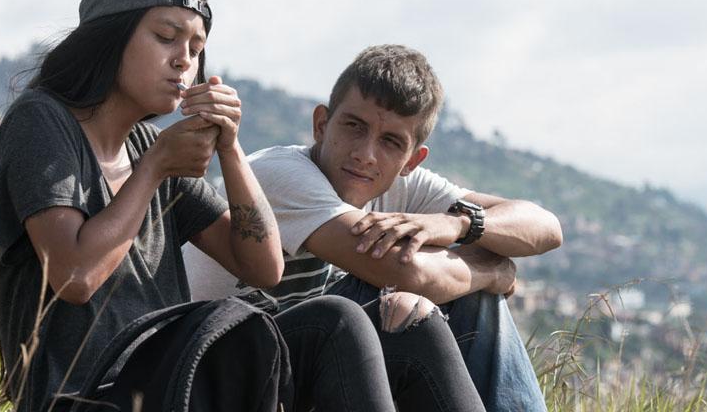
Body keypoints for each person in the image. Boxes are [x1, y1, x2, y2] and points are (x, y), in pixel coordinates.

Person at [0, 0, 481, 412]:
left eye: (196, 48)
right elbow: (75, 277)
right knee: (338, 320)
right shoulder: (42, 121)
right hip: (91, 397)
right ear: (110, 37)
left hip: (177, 379)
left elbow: (262, 266)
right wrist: (154, 169)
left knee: (408, 322)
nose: (184, 60)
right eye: (165, 37)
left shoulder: (148, 145)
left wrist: (230, 148)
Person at [186, 44, 564, 411]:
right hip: (224, 377)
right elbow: (405, 272)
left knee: (464, 297)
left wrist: (460, 223)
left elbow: (546, 227)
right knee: (428, 295)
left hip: (304, 365)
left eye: (390, 142)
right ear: (321, 125)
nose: (365, 154)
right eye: (354, 126)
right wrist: (491, 270)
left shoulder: (404, 188)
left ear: (411, 161)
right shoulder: (279, 174)